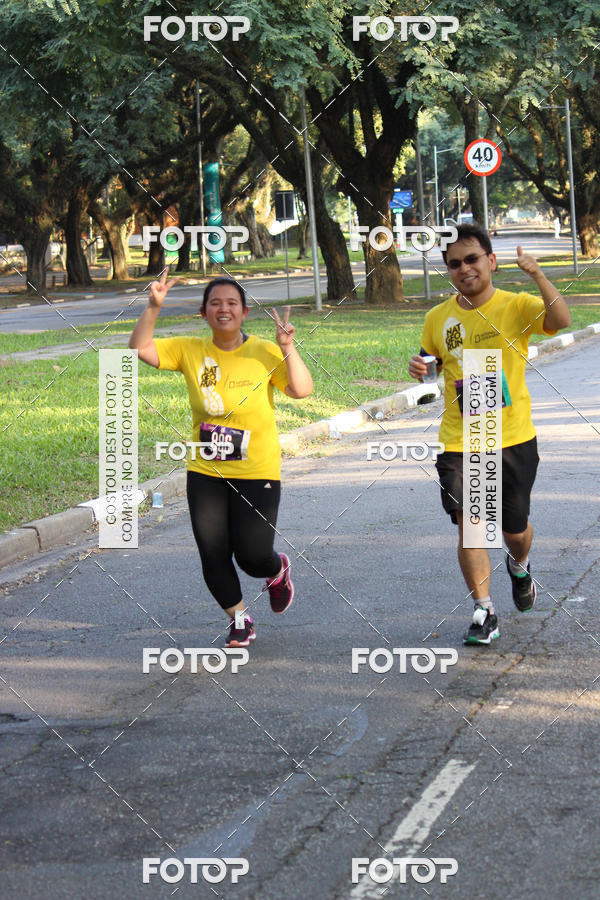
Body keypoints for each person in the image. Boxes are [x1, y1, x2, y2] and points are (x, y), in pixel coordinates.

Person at [129, 273, 313, 648]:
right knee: (213, 553)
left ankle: (276, 570)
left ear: (244, 312)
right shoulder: (189, 349)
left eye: (231, 303)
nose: (223, 309)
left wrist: (287, 348)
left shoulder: (264, 351)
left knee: (252, 556)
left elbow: (301, 390)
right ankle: (240, 620)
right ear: (203, 313)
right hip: (206, 470)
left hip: (257, 470)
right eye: (215, 303)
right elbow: (139, 348)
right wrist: (153, 306)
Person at [408, 223, 570, 645]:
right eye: (454, 264)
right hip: (461, 440)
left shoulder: (516, 305)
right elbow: (430, 363)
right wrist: (420, 368)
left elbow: (560, 319)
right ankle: (484, 611)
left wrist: (537, 274)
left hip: (512, 437)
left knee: (514, 530)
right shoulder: (438, 318)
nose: (464, 269)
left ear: (491, 261)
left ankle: (520, 564)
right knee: (472, 526)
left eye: (472, 259)